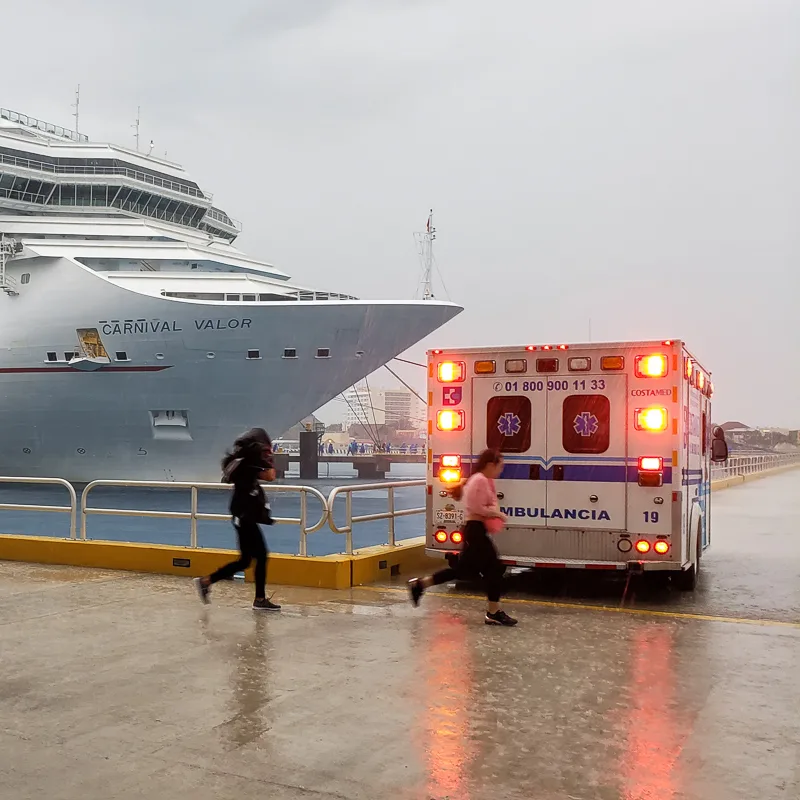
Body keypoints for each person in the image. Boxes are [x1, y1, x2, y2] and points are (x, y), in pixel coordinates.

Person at [408, 449, 518, 626]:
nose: (501, 470)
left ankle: (420, 584)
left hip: (476, 530)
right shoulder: (479, 480)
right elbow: (477, 507)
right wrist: (497, 514)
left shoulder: (482, 480)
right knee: (494, 569)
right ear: (490, 465)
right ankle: (493, 612)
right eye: (500, 466)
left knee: (465, 570)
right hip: (475, 531)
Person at [194, 427, 281, 612]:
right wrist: (270, 458)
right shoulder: (250, 461)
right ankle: (259, 599)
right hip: (245, 517)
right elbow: (270, 476)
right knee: (261, 556)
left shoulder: (242, 462)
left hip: (241, 515)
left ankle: (207, 581)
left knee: (245, 561)